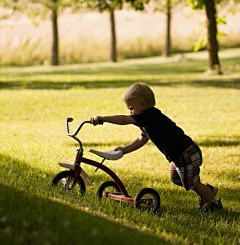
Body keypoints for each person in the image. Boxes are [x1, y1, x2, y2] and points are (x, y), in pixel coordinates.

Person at [90, 82, 223, 212]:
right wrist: (125, 149)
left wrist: (103, 118)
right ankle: (207, 191)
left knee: (191, 183)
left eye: (131, 108)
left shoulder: (149, 116)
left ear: (142, 103)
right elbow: (142, 139)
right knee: (177, 179)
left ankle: (213, 203)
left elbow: (125, 119)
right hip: (179, 154)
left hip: (185, 153)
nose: (130, 112)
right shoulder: (149, 120)